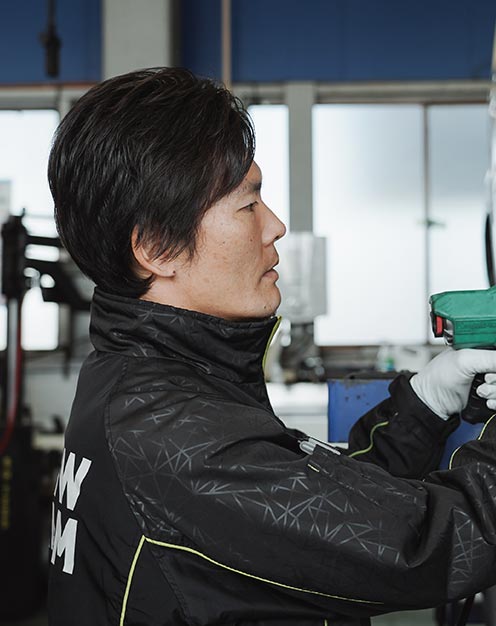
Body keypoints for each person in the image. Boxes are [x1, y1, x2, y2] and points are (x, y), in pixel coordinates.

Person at [47, 67, 496, 626]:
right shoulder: (178, 434)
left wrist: (425, 405)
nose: (276, 226)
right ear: (158, 248)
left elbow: (320, 506)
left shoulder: (140, 382)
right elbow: (428, 547)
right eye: (248, 205)